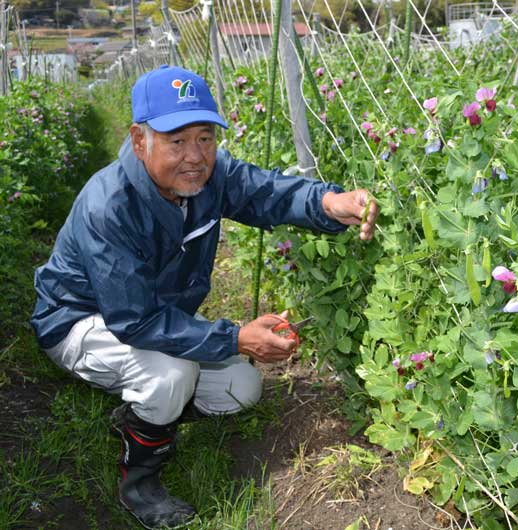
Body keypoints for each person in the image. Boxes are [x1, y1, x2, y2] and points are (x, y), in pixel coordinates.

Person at [30, 65, 379, 529]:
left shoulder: (208, 176)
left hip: (150, 320)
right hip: (81, 321)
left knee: (240, 390)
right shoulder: (109, 207)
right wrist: (236, 338)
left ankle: (144, 414)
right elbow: (135, 322)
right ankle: (140, 483)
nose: (195, 155)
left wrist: (326, 203)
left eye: (205, 137)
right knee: (170, 370)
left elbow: (267, 192)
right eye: (176, 141)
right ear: (140, 141)